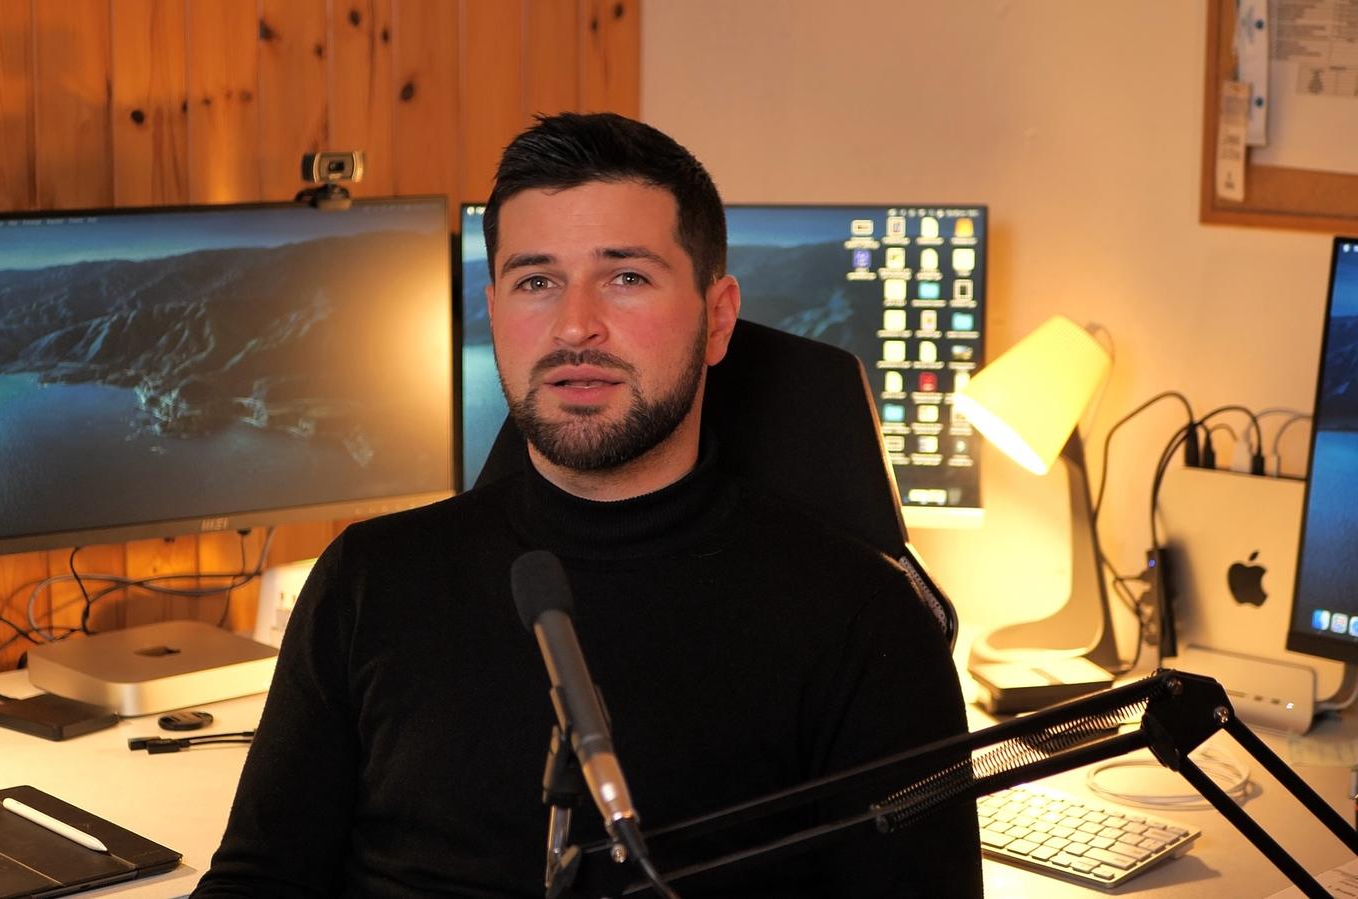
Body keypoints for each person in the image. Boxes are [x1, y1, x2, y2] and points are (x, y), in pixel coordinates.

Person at [193, 113, 981, 897]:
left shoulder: (863, 622)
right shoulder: (368, 578)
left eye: (626, 277)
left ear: (717, 318)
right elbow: (258, 877)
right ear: (494, 311)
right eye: (535, 281)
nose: (574, 325)